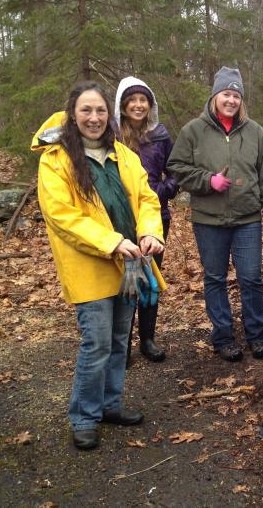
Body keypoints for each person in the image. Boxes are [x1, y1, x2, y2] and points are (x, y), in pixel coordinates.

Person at [32, 81, 166, 450]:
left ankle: (110, 405)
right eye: (86, 111)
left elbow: (146, 198)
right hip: (91, 265)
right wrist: (112, 242)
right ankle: (84, 416)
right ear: (73, 115)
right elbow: (63, 216)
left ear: (110, 115)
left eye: (100, 111)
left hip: (130, 264)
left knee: (120, 339)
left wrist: (150, 232)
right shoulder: (57, 160)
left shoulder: (123, 154)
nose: (94, 118)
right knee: (97, 343)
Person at [167, 67, 263, 362]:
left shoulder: (255, 132)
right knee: (215, 278)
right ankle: (224, 337)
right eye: (226, 94)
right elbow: (177, 167)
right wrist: (208, 181)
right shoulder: (193, 130)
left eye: (236, 95)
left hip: (247, 219)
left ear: (241, 99)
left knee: (252, 278)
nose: (231, 100)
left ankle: (256, 336)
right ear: (216, 95)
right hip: (209, 220)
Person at [114, 76, 178, 364]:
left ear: (150, 105)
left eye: (143, 100)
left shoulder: (161, 135)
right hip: (119, 220)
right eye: (133, 100)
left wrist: (161, 192)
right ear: (123, 104)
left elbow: (176, 171)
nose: (138, 105)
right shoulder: (110, 135)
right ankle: (122, 343)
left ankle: (147, 339)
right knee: (124, 281)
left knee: (149, 279)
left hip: (156, 218)